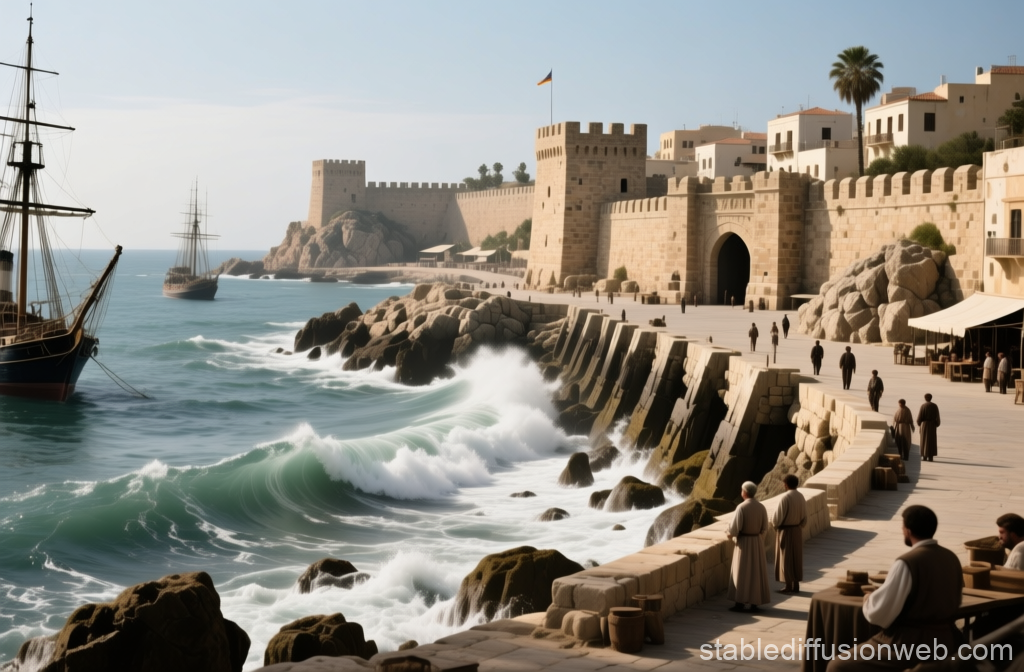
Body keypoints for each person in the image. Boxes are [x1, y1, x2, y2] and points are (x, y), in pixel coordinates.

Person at [827, 506, 963, 672]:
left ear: (908, 531)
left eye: (902, 527)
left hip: (910, 644)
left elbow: (879, 614)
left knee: (838, 665)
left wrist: (868, 600)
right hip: (946, 640)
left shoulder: (907, 562)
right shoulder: (951, 558)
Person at [726, 481, 770, 612]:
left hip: (744, 543)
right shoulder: (761, 507)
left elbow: (734, 529)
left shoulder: (741, 507)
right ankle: (754, 603)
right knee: (755, 572)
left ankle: (740, 602)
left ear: (744, 492)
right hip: (756, 542)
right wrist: (758, 539)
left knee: (741, 572)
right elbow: (765, 528)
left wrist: (729, 534)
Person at [772, 474, 806, 594]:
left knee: (785, 558)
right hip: (797, 530)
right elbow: (805, 517)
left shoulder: (785, 497)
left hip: (786, 531)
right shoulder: (801, 496)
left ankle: (788, 586)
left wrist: (776, 526)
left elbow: (777, 518)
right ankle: (796, 585)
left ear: (786, 484)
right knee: (796, 558)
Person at [916, 393, 940, 462]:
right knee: (932, 440)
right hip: (932, 425)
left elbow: (919, 417)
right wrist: (936, 424)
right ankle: (931, 457)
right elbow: (937, 417)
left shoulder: (923, 406)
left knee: (924, 440)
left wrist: (919, 423)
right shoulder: (935, 406)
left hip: (924, 425)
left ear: (925, 398)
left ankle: (924, 456)